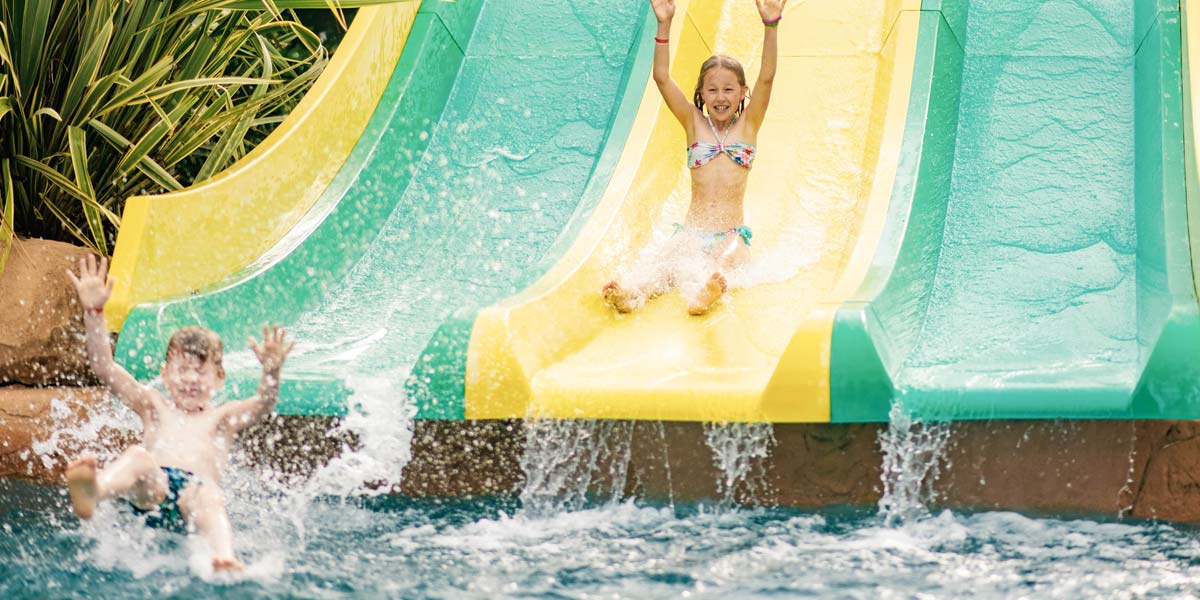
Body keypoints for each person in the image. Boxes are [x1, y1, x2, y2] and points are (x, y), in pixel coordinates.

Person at [63, 255, 294, 572]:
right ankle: (95, 492)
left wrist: (271, 371)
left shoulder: (222, 418)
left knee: (209, 494)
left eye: (201, 372)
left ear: (218, 378)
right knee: (137, 455)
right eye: (182, 370)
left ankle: (223, 557)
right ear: (165, 374)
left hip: (193, 497)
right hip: (153, 490)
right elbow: (104, 367)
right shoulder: (153, 406)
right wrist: (94, 313)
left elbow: (264, 403)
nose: (190, 379)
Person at [603, 0, 784, 316]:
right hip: (692, 231)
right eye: (712, 90)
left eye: (728, 89)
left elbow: (766, 78)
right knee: (664, 264)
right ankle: (631, 295)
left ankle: (706, 293)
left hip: (730, 234)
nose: (720, 97)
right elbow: (661, 77)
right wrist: (664, 23)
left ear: (743, 92)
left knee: (724, 260)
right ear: (701, 92)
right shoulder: (692, 122)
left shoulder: (749, 124)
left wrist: (771, 25)